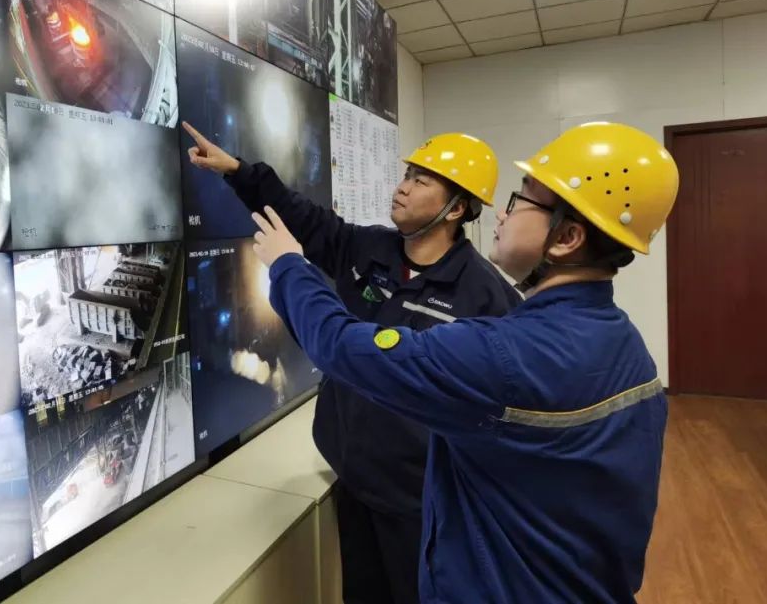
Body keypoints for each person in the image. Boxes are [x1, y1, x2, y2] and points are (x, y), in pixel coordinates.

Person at [249, 122, 679, 604]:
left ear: (567, 236)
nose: (501, 215)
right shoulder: (627, 346)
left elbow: (342, 347)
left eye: (520, 201)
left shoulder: (503, 351)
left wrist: (288, 264)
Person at [184, 122, 520, 604]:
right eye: (407, 175)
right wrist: (237, 171)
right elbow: (302, 216)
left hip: (423, 502)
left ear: (457, 208)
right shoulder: (369, 249)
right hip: (354, 478)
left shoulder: (485, 297)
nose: (403, 187)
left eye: (422, 181)